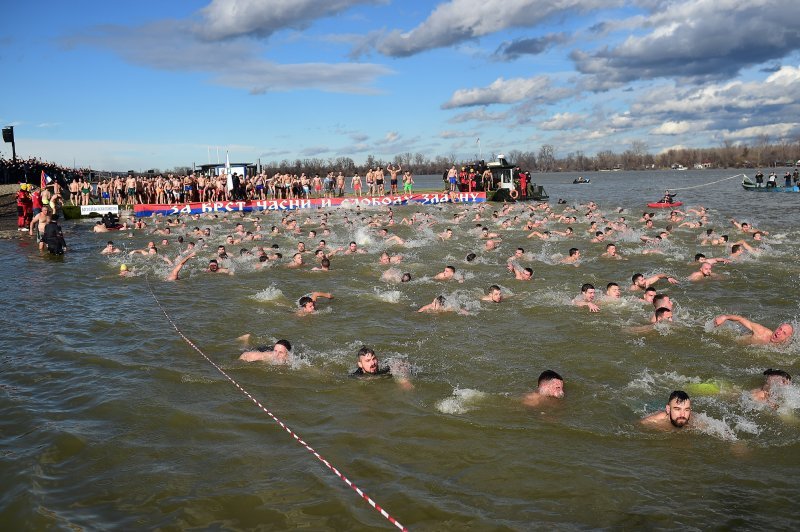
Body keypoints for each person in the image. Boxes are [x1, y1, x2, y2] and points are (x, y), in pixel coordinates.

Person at [713, 314, 793, 345]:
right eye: (780, 329)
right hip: (733, 341)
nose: (779, 332)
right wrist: (725, 317)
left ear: (787, 338)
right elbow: (740, 319)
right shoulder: (761, 332)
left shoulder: (783, 347)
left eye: (784, 333)